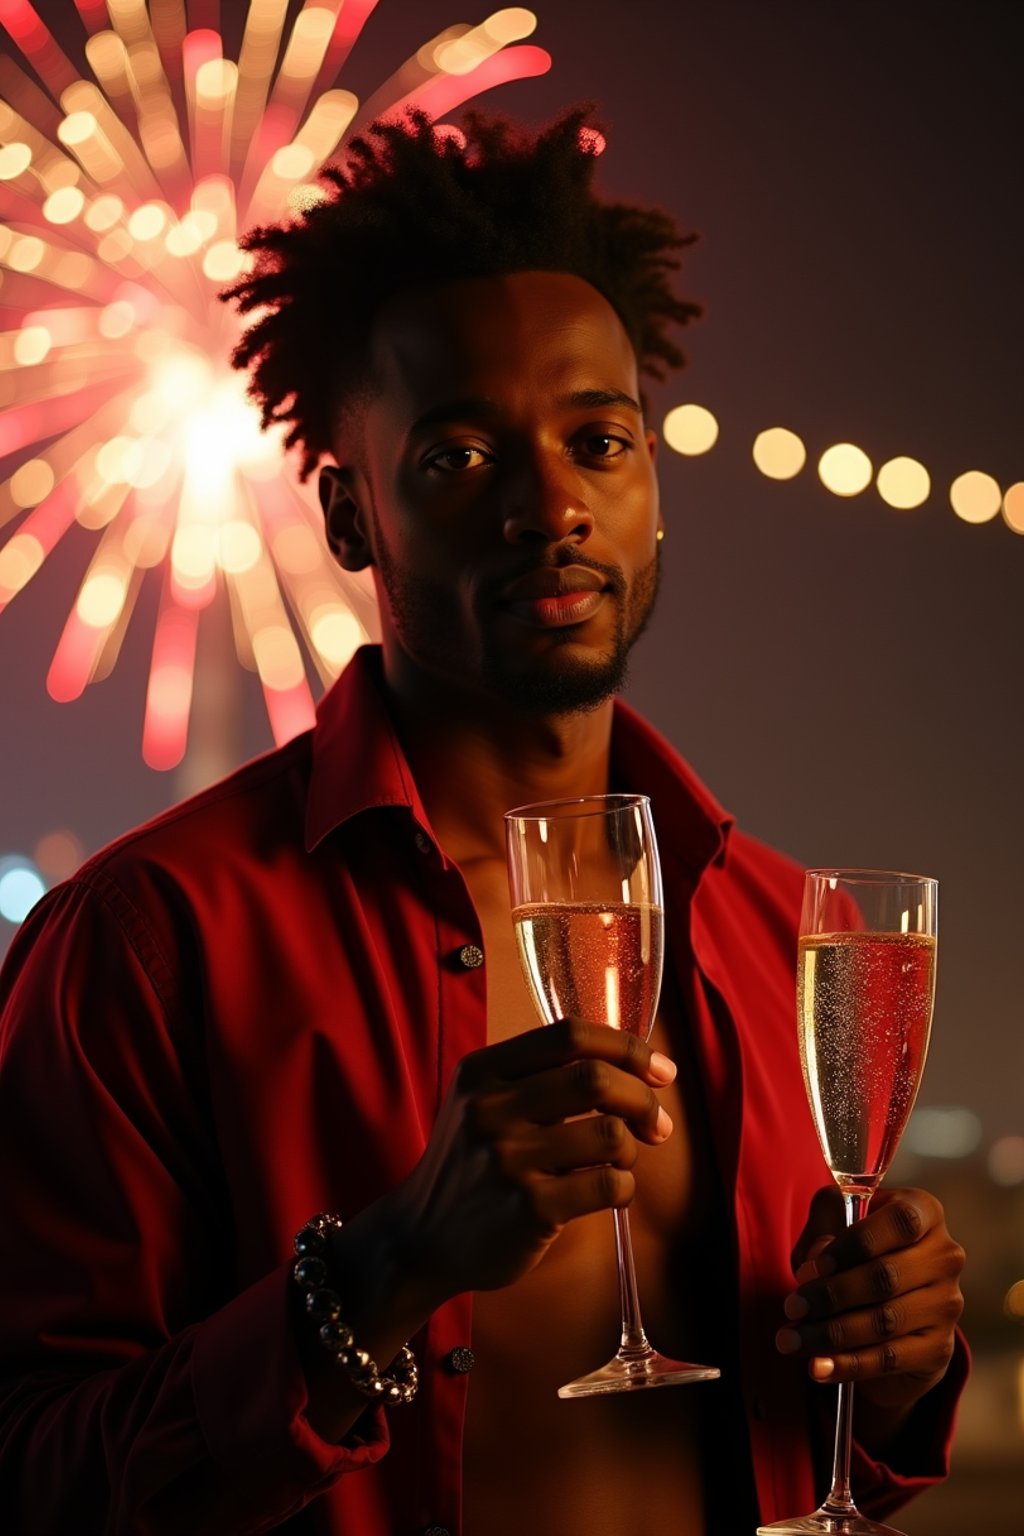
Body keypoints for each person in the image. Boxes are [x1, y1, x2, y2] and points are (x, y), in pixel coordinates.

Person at [0, 108, 966, 1536]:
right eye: (459, 458)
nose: (549, 505)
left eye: (600, 441)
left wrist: (893, 1375)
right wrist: (381, 1271)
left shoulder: (775, 925)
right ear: (349, 516)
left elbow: (818, 1461)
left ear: (653, 494)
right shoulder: (150, 945)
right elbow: (32, 1478)